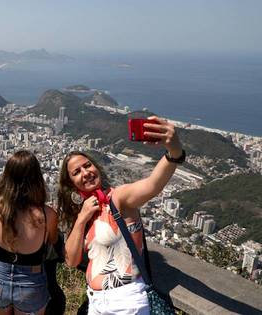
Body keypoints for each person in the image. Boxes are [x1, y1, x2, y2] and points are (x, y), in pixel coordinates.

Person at [59, 116, 184, 315]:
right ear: (71, 184)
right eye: (76, 172)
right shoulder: (84, 212)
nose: (85, 172)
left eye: (88, 165)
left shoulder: (118, 198)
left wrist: (174, 150)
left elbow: (152, 185)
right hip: (95, 301)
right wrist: (82, 218)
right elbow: (71, 261)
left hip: (126, 303)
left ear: (97, 168)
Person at [0, 150, 59, 315]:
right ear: (37, 179)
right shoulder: (48, 215)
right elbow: (52, 239)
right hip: (31, 281)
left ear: (7, 177)